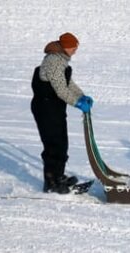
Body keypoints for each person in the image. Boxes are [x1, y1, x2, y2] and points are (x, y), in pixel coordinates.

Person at [31, 32, 94, 194]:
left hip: (54, 107)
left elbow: (68, 83)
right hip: (45, 107)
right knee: (54, 145)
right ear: (66, 47)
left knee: (61, 143)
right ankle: (51, 183)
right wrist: (77, 103)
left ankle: (58, 176)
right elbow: (60, 89)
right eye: (74, 47)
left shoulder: (61, 60)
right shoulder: (53, 61)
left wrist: (81, 95)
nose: (75, 51)